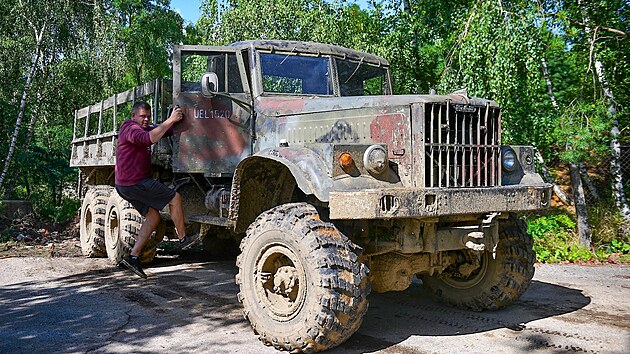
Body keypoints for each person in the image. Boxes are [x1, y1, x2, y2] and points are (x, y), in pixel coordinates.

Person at [115, 101, 199, 278]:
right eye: (142, 116)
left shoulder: (143, 127)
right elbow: (149, 138)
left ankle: (133, 257)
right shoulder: (129, 128)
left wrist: (179, 120)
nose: (146, 119)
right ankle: (183, 238)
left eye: (148, 116)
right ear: (134, 116)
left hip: (127, 184)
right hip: (135, 182)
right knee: (174, 198)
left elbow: (163, 130)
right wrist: (170, 120)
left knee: (153, 217)